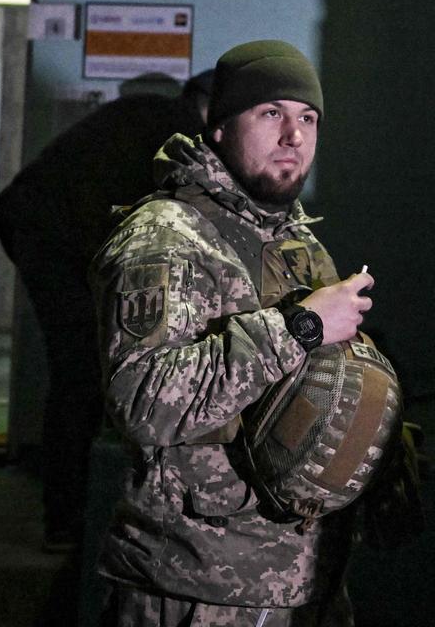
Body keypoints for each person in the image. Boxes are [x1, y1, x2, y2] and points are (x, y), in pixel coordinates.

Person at [89, 40, 378, 626]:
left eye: (307, 118)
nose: (293, 136)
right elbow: (144, 400)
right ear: (219, 128)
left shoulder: (289, 236)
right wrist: (299, 327)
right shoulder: (168, 239)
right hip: (196, 586)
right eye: (271, 113)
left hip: (294, 576)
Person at [0, 68, 213, 550]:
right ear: (210, 106)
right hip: (58, 244)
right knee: (81, 377)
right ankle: (66, 520)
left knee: (84, 374)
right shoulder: (180, 133)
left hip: (44, 233)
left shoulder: (147, 114)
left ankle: (69, 515)